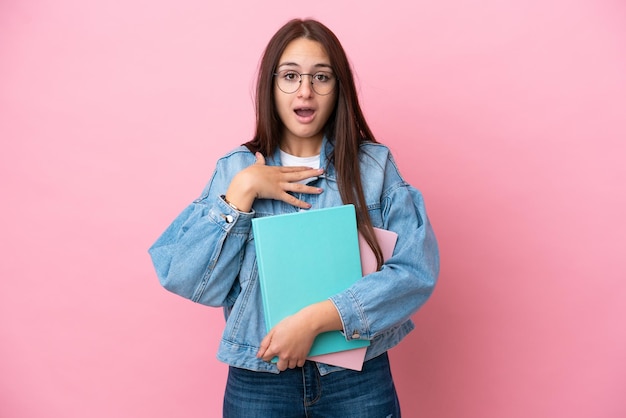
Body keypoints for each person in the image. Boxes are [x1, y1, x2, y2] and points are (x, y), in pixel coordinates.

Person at [149, 18, 439, 417]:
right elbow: (184, 276)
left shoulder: (374, 167)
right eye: (290, 76)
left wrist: (317, 320)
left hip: (358, 379)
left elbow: (415, 270)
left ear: (339, 88)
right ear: (271, 86)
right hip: (259, 380)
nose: (306, 90)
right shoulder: (235, 170)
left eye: (321, 77)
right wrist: (241, 194)